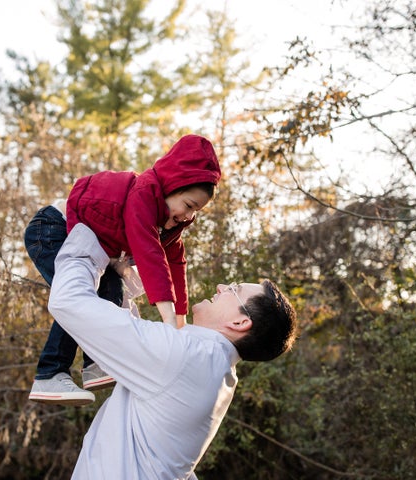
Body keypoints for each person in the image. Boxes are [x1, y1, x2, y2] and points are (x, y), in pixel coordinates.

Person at [48, 223, 298, 479]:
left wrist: (85, 233)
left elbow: (68, 300)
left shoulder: (187, 356)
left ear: (240, 323)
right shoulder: (215, 370)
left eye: (233, 289)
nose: (221, 286)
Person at [24, 134, 221, 405]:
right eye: (188, 205)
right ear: (171, 185)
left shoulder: (172, 225)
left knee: (111, 291)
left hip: (92, 247)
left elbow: (176, 264)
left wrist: (180, 319)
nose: (188, 216)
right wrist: (168, 324)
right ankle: (49, 374)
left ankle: (95, 364)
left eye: (195, 211)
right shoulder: (143, 195)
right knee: (76, 297)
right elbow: (150, 255)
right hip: (52, 230)